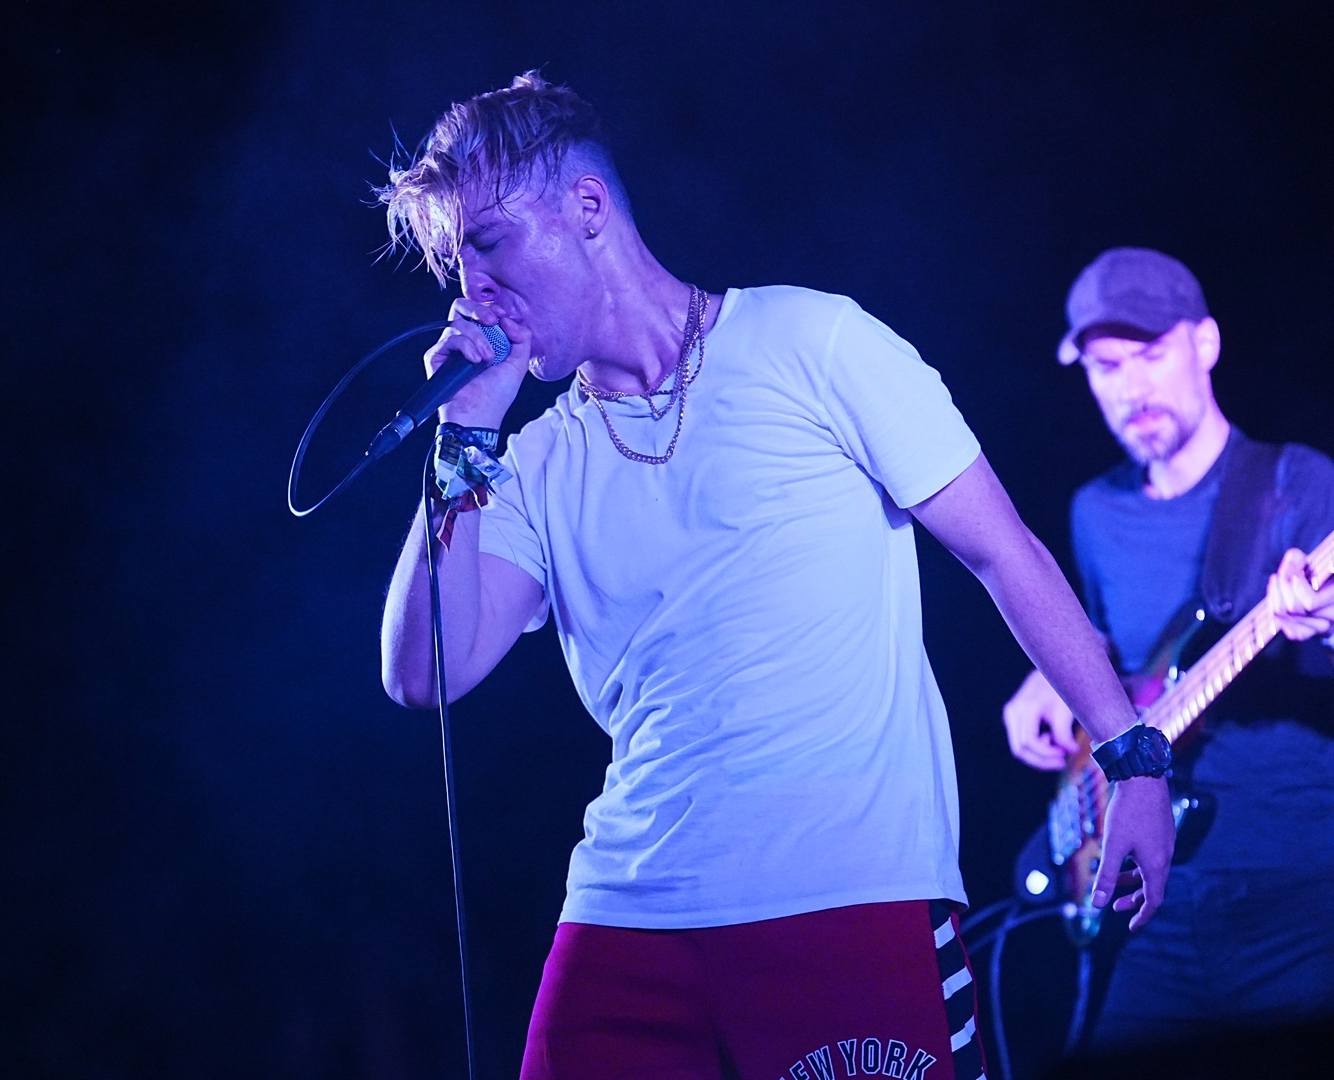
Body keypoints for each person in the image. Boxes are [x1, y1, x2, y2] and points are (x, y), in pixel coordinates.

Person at [377, 73, 1174, 1080]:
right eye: (458, 265)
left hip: (849, 899)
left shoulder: (811, 342)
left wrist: (1131, 758)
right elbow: (423, 673)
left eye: (488, 243)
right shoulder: (526, 466)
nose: (473, 291)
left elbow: (1000, 549)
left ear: (586, 207)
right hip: (627, 920)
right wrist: (461, 436)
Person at [1002, 247, 1334, 1049]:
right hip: (1152, 904)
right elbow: (1114, 654)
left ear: (1206, 343)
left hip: (1297, 899)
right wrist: (1049, 672)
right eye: (1106, 367)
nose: (1130, 388)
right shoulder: (1094, 511)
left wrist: (1324, 622)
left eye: (1150, 354)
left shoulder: (1297, 483)